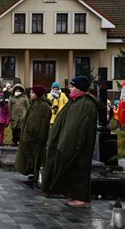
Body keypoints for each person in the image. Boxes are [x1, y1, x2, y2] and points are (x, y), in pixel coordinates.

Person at [42, 76, 99, 208]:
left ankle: (82, 198)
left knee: (80, 168)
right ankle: (76, 195)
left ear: (79, 88)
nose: (69, 89)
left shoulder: (84, 104)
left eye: (72, 87)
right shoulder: (76, 101)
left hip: (79, 145)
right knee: (75, 168)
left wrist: (69, 144)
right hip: (73, 143)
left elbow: (76, 126)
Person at [14, 85, 52, 182]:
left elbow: (39, 123)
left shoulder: (43, 106)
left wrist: (32, 133)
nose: (30, 94)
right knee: (31, 156)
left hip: (36, 137)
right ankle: (33, 173)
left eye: (33, 92)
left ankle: (37, 175)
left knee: (37, 157)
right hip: (30, 136)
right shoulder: (34, 104)